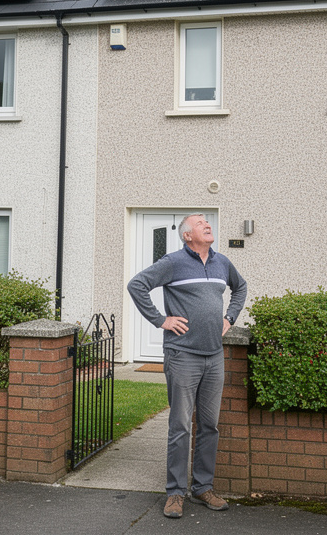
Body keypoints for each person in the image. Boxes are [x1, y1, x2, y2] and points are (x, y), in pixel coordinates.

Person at [127, 212, 247, 520]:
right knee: (180, 426)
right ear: (186, 235)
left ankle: (203, 487)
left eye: (208, 222)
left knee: (209, 425)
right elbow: (137, 284)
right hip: (182, 355)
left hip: (213, 356)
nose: (207, 225)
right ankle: (175, 493)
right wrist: (160, 319)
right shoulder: (173, 262)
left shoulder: (222, 263)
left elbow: (241, 287)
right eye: (200, 223)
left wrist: (229, 317)